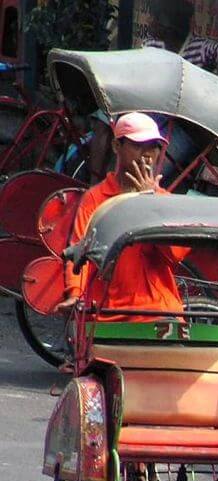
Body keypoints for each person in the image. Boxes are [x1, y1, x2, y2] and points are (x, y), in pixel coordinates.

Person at [57, 112, 190, 329]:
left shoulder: (164, 201)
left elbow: (174, 255)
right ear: (116, 146)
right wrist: (75, 293)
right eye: (138, 146)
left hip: (158, 312)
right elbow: (79, 250)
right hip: (106, 313)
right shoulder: (95, 198)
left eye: (153, 147)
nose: (147, 154)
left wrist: (150, 203)